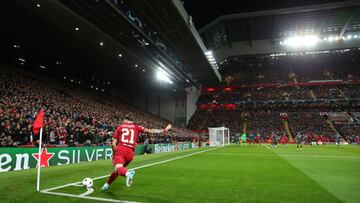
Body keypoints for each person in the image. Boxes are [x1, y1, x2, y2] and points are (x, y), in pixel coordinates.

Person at [101, 113, 171, 191]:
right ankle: (107, 184)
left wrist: (114, 153)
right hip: (130, 154)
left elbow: (113, 143)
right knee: (117, 170)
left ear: (126, 121)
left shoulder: (120, 127)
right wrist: (164, 130)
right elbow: (150, 131)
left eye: (124, 121)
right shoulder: (136, 127)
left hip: (121, 150)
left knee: (118, 169)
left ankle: (128, 174)